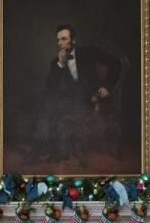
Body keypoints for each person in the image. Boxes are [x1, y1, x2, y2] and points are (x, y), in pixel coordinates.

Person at [39, 24, 123, 164]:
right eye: (58, 40)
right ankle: (61, 152)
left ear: (74, 40)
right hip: (74, 100)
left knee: (63, 110)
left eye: (64, 39)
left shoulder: (88, 52)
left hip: (94, 97)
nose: (60, 43)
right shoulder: (56, 62)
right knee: (50, 107)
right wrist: (60, 64)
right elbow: (50, 87)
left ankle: (79, 151)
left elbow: (116, 63)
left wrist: (107, 86)